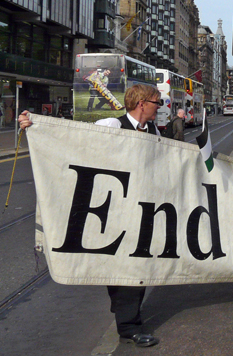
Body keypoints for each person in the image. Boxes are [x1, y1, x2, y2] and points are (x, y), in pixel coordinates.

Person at [18, 84, 163, 348]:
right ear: (142, 103)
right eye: (157, 102)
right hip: (111, 210)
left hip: (139, 211)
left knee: (136, 266)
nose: (160, 107)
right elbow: (73, 139)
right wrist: (36, 125)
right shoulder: (112, 125)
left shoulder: (153, 131)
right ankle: (127, 320)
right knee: (120, 268)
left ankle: (127, 320)